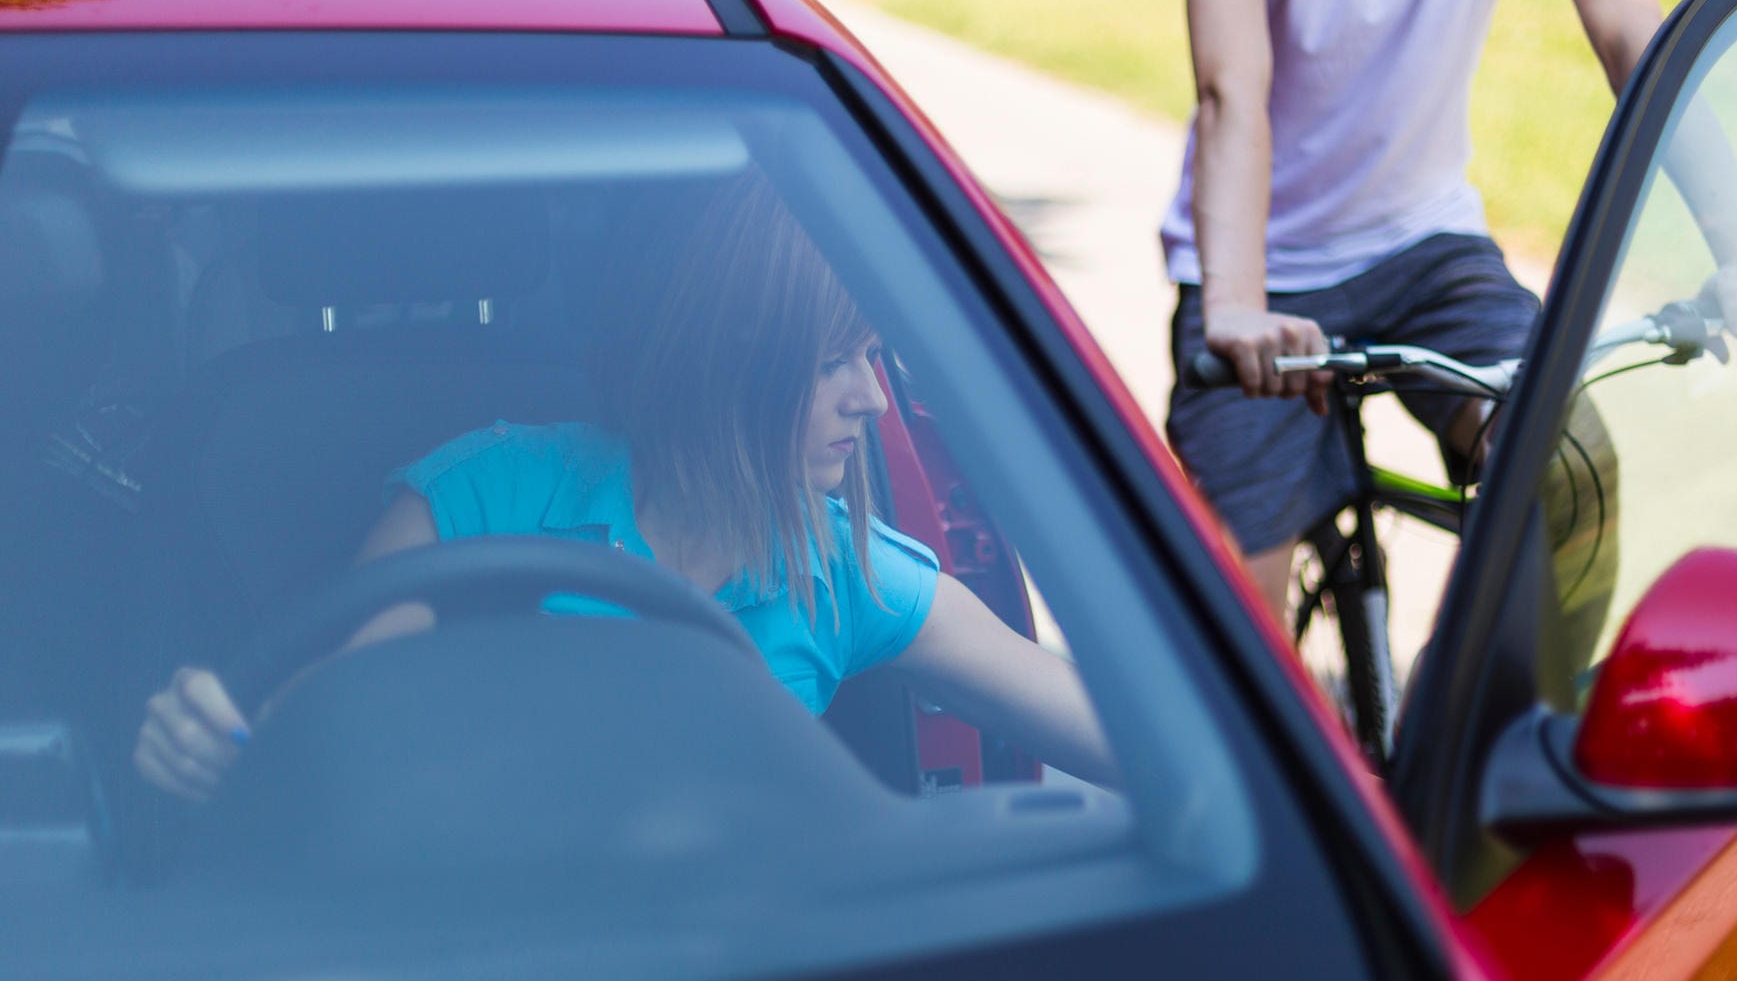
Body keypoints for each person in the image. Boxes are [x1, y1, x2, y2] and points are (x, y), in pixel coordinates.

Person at [132, 173, 1118, 801]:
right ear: (736, 357)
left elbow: (1116, 731)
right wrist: (206, 741)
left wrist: (1239, 734)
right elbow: (307, 735)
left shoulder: (838, 570)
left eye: (873, 359)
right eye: (834, 364)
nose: (871, 399)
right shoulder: (488, 494)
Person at [1163, 0, 1737, 629]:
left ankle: (1474, 731)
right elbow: (1229, 92)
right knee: (1236, 633)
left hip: (1426, 247)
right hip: (1257, 273)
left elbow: (1635, 35)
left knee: (1568, 468)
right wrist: (1239, 303)